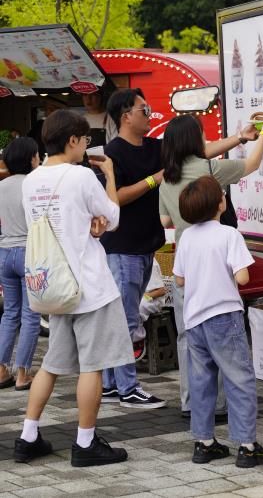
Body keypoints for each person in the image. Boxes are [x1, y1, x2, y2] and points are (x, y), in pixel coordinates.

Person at [14, 109, 134, 467]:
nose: (86, 147)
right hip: (88, 286)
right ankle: (85, 443)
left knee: (51, 365)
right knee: (92, 367)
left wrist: (90, 224)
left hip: (53, 285)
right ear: (72, 140)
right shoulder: (82, 176)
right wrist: (109, 176)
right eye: (84, 140)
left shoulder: (31, 181)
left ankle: (27, 436)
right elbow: (113, 218)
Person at [159, 114, 263, 418]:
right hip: (214, 265)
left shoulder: (166, 178)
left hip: (185, 262)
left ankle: (191, 402)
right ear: (194, 139)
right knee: (222, 336)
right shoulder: (210, 169)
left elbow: (166, 220)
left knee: (188, 337)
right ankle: (220, 405)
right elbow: (251, 165)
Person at [173, 175, 263, 468]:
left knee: (201, 382)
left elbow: (179, 280)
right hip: (224, 316)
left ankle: (204, 443)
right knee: (239, 379)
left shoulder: (186, 237)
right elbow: (243, 277)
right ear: (220, 204)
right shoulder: (229, 235)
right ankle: (247, 446)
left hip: (194, 320)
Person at [100, 88, 166, 409]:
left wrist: (240, 138)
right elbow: (115, 199)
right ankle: (128, 387)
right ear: (126, 117)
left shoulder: (155, 146)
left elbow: (194, 151)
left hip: (146, 244)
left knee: (122, 318)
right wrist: (154, 180)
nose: (149, 114)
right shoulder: (111, 154)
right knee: (125, 319)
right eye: (144, 109)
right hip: (122, 248)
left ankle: (110, 384)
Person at [0, 137, 41, 391]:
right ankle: (23, 374)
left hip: (4, 253)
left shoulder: (1, 186)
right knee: (31, 315)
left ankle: (2, 370)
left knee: (10, 313)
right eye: (37, 155)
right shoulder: (33, 184)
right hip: (29, 252)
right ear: (30, 158)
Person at [132, 257, 166, 362]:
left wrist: (141, 296)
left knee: (138, 305)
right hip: (137, 296)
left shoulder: (151, 262)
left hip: (153, 299)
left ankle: (137, 339)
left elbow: (161, 291)